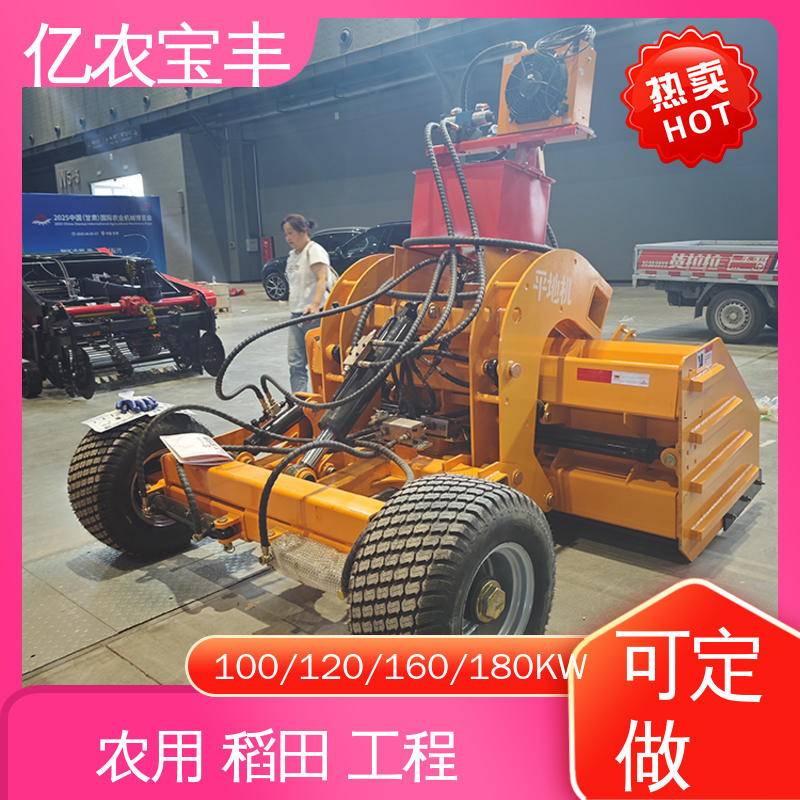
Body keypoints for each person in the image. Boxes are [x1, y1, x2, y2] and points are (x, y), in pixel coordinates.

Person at [282, 213, 331, 393]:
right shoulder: (292, 256)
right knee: (295, 363)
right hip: (296, 315)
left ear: (303, 231)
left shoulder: (314, 250)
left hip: (315, 316)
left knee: (319, 363)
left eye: (291, 233)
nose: (288, 238)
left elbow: (322, 278)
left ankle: (323, 399)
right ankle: (300, 401)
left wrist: (315, 305)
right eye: (285, 234)